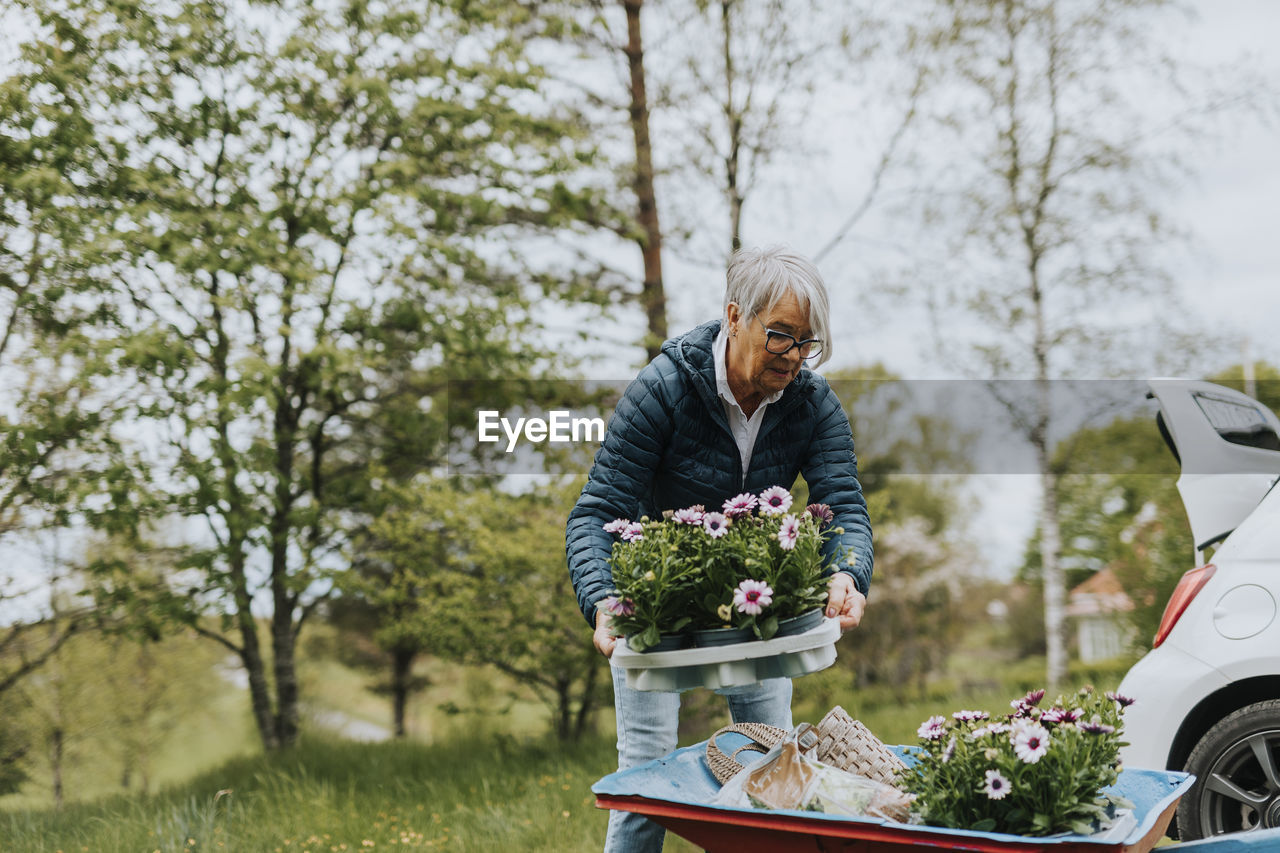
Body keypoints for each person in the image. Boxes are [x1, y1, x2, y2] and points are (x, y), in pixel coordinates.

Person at [565, 245, 873, 853]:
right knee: (643, 789)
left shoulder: (812, 402)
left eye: (806, 343)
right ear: (735, 318)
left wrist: (847, 572)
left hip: (759, 612)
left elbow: (844, 505)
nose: (793, 357)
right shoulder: (662, 390)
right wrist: (602, 597)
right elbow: (597, 512)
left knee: (776, 779)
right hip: (658, 609)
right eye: (780, 336)